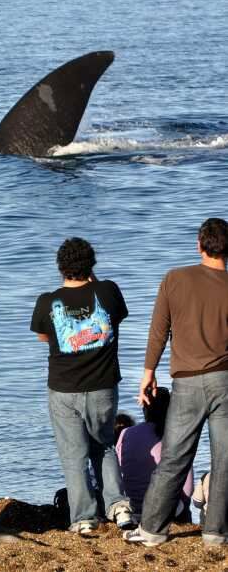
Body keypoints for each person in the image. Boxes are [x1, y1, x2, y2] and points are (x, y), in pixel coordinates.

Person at [124, 217, 228, 547]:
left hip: (187, 382)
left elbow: (159, 331)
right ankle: (215, 533)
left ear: (199, 244)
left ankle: (153, 530)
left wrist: (148, 373)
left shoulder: (175, 278)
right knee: (224, 460)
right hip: (225, 380)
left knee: (174, 458)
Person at [31, 237, 133, 534]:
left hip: (64, 389)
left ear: (60, 267)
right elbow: (118, 318)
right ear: (92, 266)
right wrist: (93, 279)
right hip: (102, 387)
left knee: (73, 455)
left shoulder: (48, 301)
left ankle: (85, 518)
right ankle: (119, 507)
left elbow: (43, 337)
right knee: (104, 445)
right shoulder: (108, 291)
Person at [115, 387, 194, 519]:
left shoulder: (126, 433)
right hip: (164, 510)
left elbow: (119, 469)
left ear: (144, 408)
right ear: (170, 409)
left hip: (132, 505)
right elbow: (188, 490)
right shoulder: (176, 437)